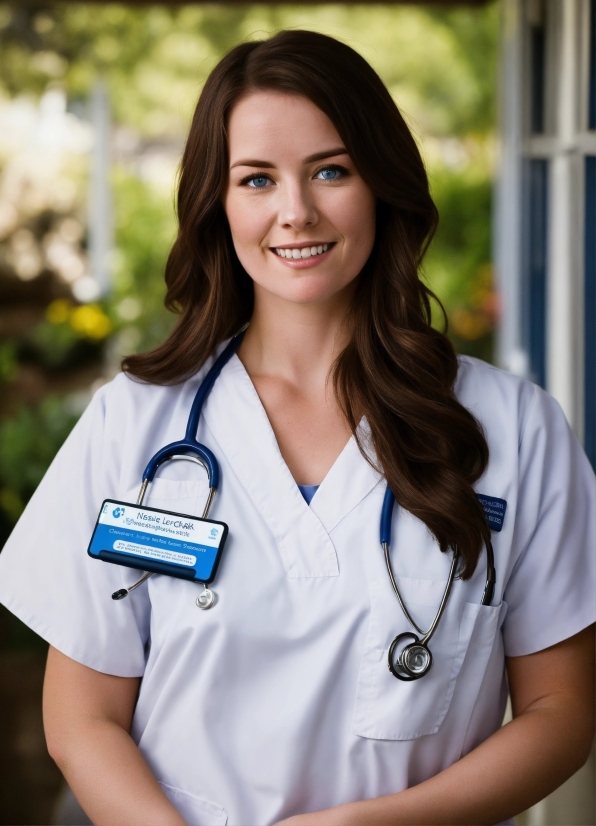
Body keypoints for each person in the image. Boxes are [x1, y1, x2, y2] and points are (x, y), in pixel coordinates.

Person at [0, 30, 594, 826]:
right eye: (256, 179)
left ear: (381, 183)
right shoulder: (134, 422)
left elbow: (562, 713)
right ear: (219, 200)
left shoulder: (513, 429)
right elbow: (82, 719)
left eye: (330, 170)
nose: (296, 212)